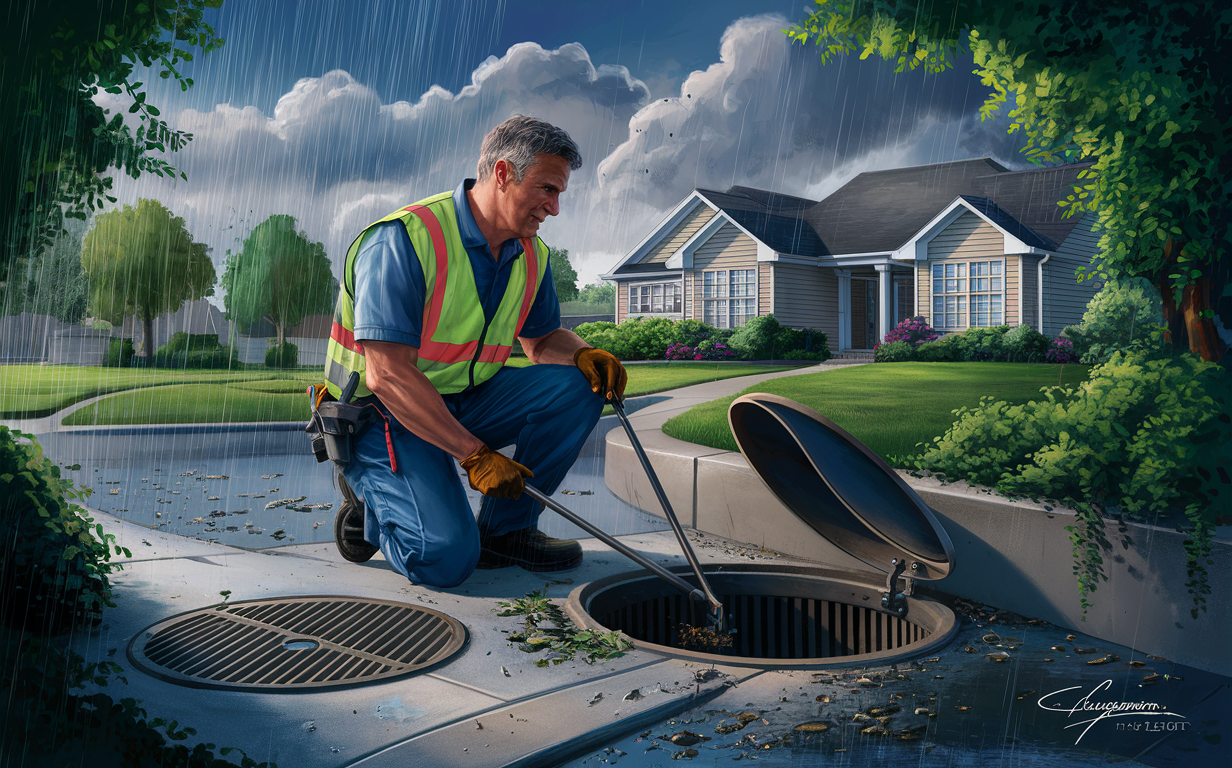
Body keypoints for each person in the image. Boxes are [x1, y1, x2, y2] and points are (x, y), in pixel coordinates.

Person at [321, 114, 627, 588]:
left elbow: (541, 341)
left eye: (560, 193)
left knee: (577, 385)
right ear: (503, 174)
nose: (555, 208)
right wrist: (474, 455)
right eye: (548, 189)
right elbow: (387, 375)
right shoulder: (403, 240)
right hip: (380, 413)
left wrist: (586, 354)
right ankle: (370, 504)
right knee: (444, 560)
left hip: (465, 399)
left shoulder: (530, 253)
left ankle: (507, 532)